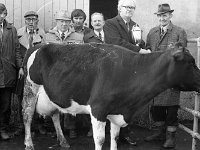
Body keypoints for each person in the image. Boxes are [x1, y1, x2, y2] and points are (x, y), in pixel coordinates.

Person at [144, 3, 187, 149]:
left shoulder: (179, 31)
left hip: (171, 76)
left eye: (165, 15)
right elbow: (148, 48)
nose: (162, 18)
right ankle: (159, 133)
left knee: (172, 109)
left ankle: (170, 138)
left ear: (170, 16)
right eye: (160, 15)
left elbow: (181, 52)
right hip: (156, 76)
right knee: (156, 107)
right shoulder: (152, 32)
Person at [15, 10, 46, 135]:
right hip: (23, 71)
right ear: (25, 21)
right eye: (28, 20)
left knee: (37, 97)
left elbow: (44, 53)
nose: (31, 22)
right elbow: (16, 52)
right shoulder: (18, 34)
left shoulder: (42, 34)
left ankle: (38, 125)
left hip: (36, 71)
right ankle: (22, 125)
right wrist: (20, 67)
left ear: (37, 21)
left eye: (34, 20)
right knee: (22, 97)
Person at [0, 3, 24, 140]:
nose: (1, 16)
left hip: (8, 72)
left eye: (3, 14)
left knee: (5, 104)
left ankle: (3, 129)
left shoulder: (11, 30)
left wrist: (20, 66)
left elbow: (16, 50)